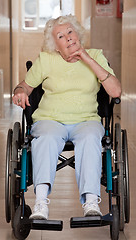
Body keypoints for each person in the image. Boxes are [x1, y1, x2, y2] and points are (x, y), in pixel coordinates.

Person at [12, 15, 121, 220]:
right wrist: (20, 91)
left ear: (77, 34)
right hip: (50, 119)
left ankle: (91, 202)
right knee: (46, 136)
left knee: (90, 137)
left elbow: (115, 91)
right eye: (61, 36)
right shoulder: (46, 59)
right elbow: (25, 85)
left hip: (86, 120)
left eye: (70, 32)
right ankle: (41, 203)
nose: (68, 37)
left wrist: (86, 58)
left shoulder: (96, 56)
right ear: (55, 45)